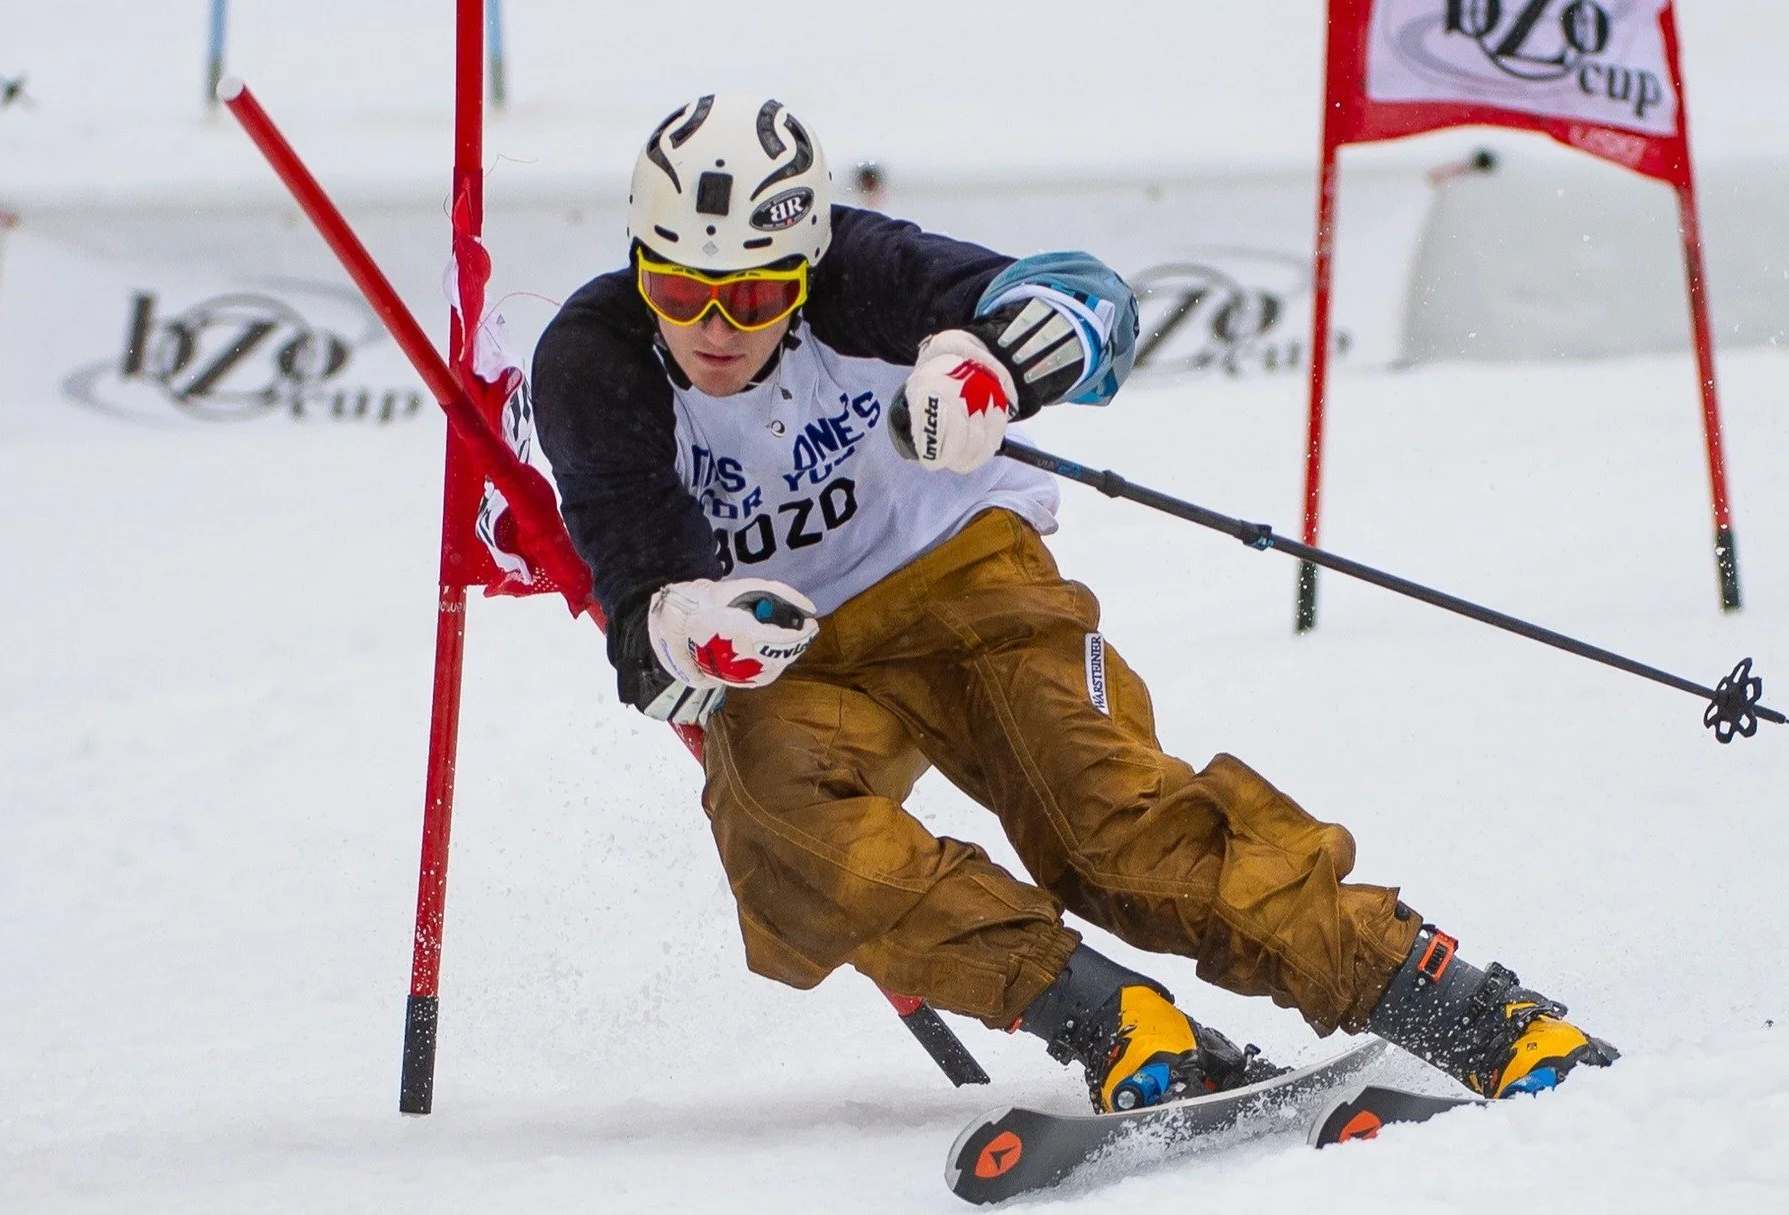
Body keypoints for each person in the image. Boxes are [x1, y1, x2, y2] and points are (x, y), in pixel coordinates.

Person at [531, 95, 1616, 1113]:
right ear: (640, 263)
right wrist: (683, 631)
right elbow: (638, 595)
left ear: (804, 270)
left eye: (758, 296)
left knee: (1106, 832)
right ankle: (1110, 1018)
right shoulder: (595, 365)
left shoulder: (861, 275)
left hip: (966, 579)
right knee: (782, 837)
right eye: (680, 291)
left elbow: (1089, 299)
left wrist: (999, 363)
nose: (716, 328)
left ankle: (1456, 1005)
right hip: (798, 655)